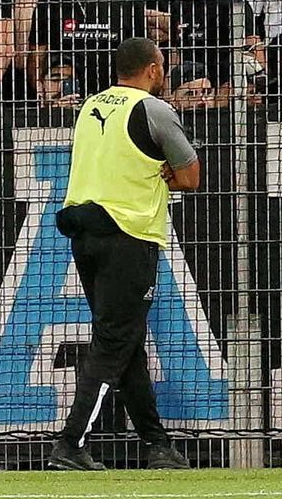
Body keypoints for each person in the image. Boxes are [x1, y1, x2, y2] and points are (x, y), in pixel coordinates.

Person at [47, 35, 206, 469]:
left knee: (127, 338)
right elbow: (191, 177)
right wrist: (162, 177)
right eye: (164, 67)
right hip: (130, 232)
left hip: (84, 230)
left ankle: (157, 445)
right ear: (154, 69)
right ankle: (71, 443)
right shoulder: (154, 110)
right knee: (114, 339)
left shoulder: (90, 107)